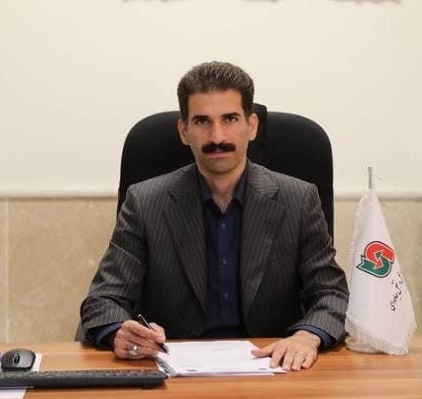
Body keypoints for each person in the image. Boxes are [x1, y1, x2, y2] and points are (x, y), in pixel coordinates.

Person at [79, 61, 349, 371]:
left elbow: (331, 295)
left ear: (252, 126)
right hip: (171, 374)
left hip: (273, 369)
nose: (217, 136)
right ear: (184, 131)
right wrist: (121, 333)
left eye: (230, 119)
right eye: (202, 121)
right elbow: (102, 302)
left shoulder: (298, 200)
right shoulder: (145, 202)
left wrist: (307, 336)